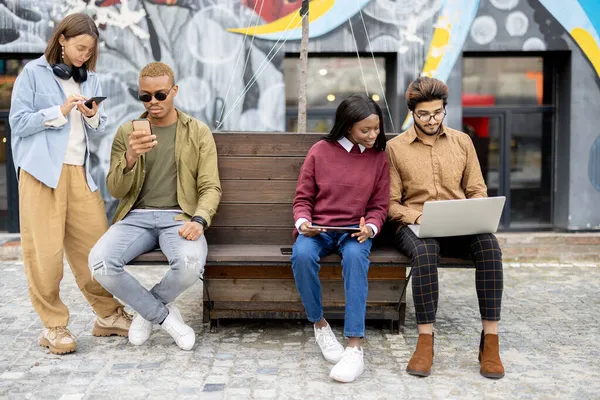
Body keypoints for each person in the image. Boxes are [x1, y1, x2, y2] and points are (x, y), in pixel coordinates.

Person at [8, 13, 131, 355]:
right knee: (45, 254)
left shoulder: (89, 78)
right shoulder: (32, 74)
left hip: (78, 172)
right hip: (41, 174)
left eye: (89, 51)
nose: (83, 55)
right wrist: (59, 111)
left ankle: (107, 315)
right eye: (79, 48)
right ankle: (54, 326)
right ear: (61, 40)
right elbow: (18, 122)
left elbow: (97, 126)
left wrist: (92, 115)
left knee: (96, 249)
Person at [88, 62, 221, 351]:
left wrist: (199, 220)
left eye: (160, 95)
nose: (153, 103)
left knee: (190, 265)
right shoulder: (127, 133)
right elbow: (115, 189)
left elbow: (210, 187)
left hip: (179, 216)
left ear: (174, 91)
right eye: (145, 97)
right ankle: (163, 317)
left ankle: (147, 310)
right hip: (135, 217)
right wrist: (131, 158)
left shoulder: (197, 132)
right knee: (99, 263)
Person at [386, 77, 504, 379]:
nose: (431, 120)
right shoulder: (395, 148)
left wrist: (476, 208)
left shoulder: (463, 142)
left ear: (444, 109)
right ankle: (425, 341)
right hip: (415, 226)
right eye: (423, 114)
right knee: (426, 252)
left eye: (437, 113)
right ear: (412, 113)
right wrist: (419, 217)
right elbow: (391, 203)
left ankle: (490, 341)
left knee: (490, 247)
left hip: (459, 225)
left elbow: (477, 188)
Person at [291, 94, 390, 383]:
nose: (373, 135)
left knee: (357, 257)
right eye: (366, 130)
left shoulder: (378, 158)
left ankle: (354, 345)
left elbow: (379, 206)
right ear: (348, 127)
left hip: (354, 233)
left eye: (376, 129)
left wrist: (370, 227)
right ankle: (319, 324)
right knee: (301, 255)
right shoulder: (320, 151)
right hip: (319, 230)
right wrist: (303, 222)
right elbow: (303, 198)